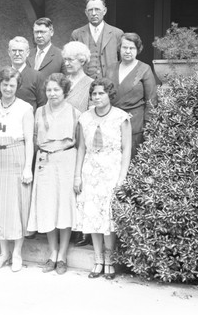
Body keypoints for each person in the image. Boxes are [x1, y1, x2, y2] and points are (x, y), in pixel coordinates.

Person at [74, 78, 132, 279]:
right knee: (92, 216)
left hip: (111, 170)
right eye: (95, 94)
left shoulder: (121, 117)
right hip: (90, 170)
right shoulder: (85, 118)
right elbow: (81, 148)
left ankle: (110, 260)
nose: (97, 97)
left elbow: (126, 150)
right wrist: (77, 175)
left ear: (109, 95)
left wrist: (122, 177)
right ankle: (98, 259)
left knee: (108, 217)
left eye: (101, 93)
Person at [27, 73, 80, 275]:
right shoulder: (39, 111)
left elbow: (79, 142)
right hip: (45, 162)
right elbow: (33, 139)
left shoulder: (75, 113)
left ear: (65, 91)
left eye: (56, 89)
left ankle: (63, 255)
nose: (52, 93)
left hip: (66, 161)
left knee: (64, 207)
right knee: (48, 206)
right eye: (49, 90)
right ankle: (53, 253)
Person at [0, 66, 34, 272]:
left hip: (17, 155)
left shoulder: (25, 108)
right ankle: (3, 253)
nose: (8, 88)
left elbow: (30, 140)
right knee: (0, 205)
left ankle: (17, 254)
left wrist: (27, 168)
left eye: (12, 85)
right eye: (5, 84)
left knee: (17, 205)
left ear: (17, 86)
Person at [61, 41, 94, 247]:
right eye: (65, 59)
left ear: (82, 60)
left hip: (81, 138)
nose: (66, 63)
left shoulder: (91, 83)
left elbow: (92, 113)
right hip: (61, 142)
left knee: (81, 185)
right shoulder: (62, 81)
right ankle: (67, 226)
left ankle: (82, 230)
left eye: (70, 60)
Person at [106, 32, 157, 158]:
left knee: (131, 159)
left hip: (134, 124)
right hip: (111, 122)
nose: (128, 51)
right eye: (124, 47)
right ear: (119, 48)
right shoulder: (111, 68)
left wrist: (148, 127)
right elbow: (104, 94)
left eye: (132, 48)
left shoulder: (144, 69)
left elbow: (151, 100)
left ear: (138, 50)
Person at [70, 0, 123, 80]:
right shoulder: (77, 34)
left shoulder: (117, 34)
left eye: (97, 9)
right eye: (90, 10)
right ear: (86, 13)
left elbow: (123, 63)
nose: (94, 13)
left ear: (104, 11)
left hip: (109, 84)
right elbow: (71, 62)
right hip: (84, 84)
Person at [0, 36, 46, 112]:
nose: (17, 54)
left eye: (20, 51)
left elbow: (42, 106)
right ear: (9, 52)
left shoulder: (37, 76)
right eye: (14, 50)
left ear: (27, 53)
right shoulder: (0, 75)